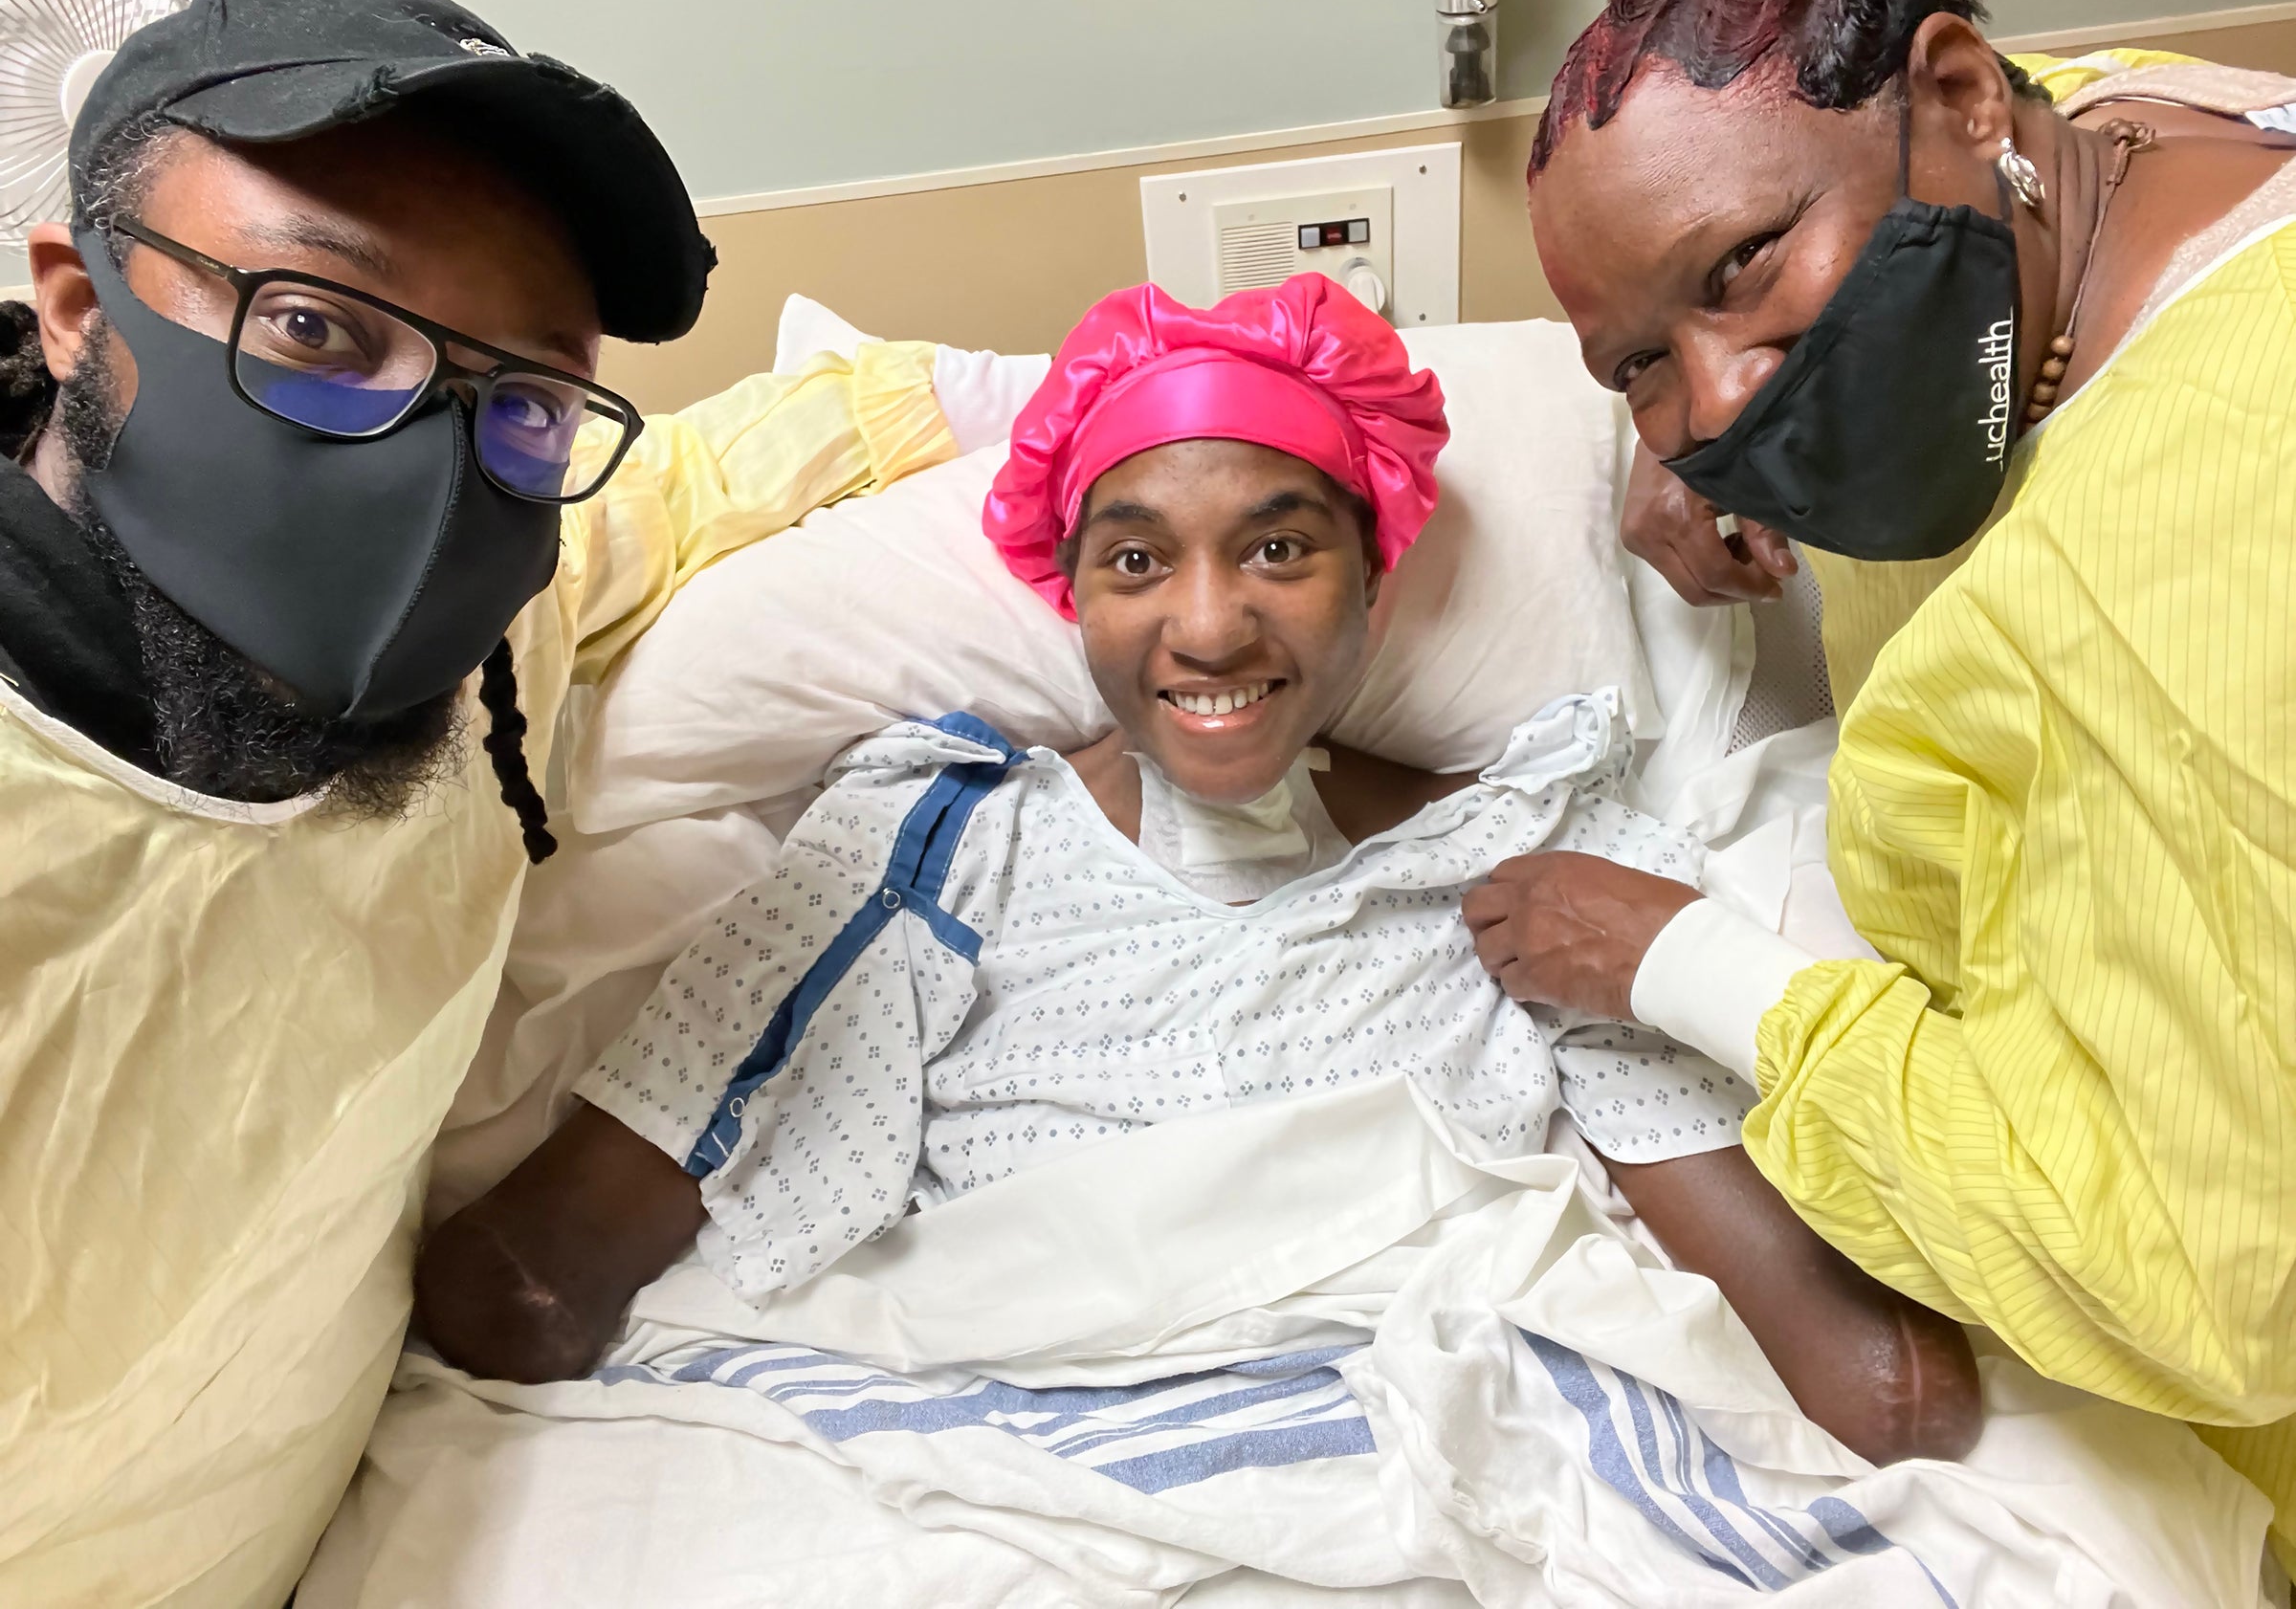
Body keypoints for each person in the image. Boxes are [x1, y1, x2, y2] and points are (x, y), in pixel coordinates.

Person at [416, 274, 1980, 1469]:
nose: (1213, 625)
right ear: (1071, 593)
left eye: (1283, 549)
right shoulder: (921, 846)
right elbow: (528, 1289)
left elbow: (1882, 1389)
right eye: (1138, 560)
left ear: (1378, 569)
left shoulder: (1535, 871)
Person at [0, 0, 962, 1607]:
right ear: (81, 303)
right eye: (313, 325)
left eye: (520, 396)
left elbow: (690, 482)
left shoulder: (486, 654)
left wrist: (1097, 395)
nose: (429, 466)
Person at [1466, 0, 2296, 1555]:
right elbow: (1834, 205)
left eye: (1742, 271)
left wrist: (1687, 969)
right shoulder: (2116, 132)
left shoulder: (2179, 576)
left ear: (1965, 93)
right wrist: (1706, 424)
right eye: (1639, 363)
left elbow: (2197, 1285)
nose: (1718, 395)